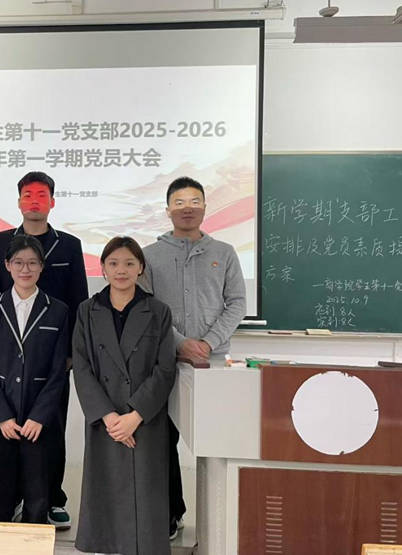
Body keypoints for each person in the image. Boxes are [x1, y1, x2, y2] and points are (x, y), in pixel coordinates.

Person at [141, 176, 247, 540]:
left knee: (218, 440)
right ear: (168, 209)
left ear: (204, 207)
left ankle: (220, 522)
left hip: (213, 364)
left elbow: (237, 303)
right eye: (180, 202)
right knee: (162, 442)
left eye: (195, 201)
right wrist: (181, 343)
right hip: (163, 363)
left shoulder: (225, 252)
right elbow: (146, 308)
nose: (188, 208)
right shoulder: (149, 256)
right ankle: (171, 512)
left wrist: (208, 342)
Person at [0, 171, 87, 529]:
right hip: (5, 353)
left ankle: (51, 499)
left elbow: (78, 299)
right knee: (4, 435)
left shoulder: (69, 244)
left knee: (49, 430)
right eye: (28, 195)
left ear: (52, 202)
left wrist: (71, 353)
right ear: (18, 201)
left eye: (42, 195)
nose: (35, 201)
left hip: (53, 354)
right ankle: (10, 499)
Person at [72, 236, 176, 555]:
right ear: (103, 267)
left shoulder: (158, 310)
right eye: (114, 263)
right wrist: (109, 416)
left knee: (145, 491)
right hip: (106, 418)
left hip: (144, 418)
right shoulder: (87, 310)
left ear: (140, 268)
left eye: (130, 263)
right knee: (105, 488)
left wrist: (135, 416)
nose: (122, 270)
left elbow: (165, 369)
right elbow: (81, 366)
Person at [0, 235, 68, 525]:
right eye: (18, 262)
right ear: (7, 265)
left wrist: (39, 416)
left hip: (39, 421)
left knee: (38, 494)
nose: (25, 269)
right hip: (1, 421)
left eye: (32, 263)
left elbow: (58, 371)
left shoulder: (58, 310)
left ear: (42, 266)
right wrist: (2, 417)